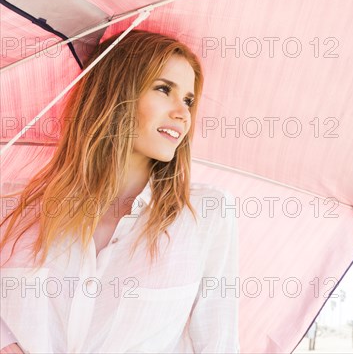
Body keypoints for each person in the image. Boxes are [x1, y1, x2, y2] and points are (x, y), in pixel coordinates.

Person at [0, 30, 240, 353]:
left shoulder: (205, 215)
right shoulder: (19, 206)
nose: (183, 113)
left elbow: (218, 344)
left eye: (188, 100)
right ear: (116, 94)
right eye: (164, 89)